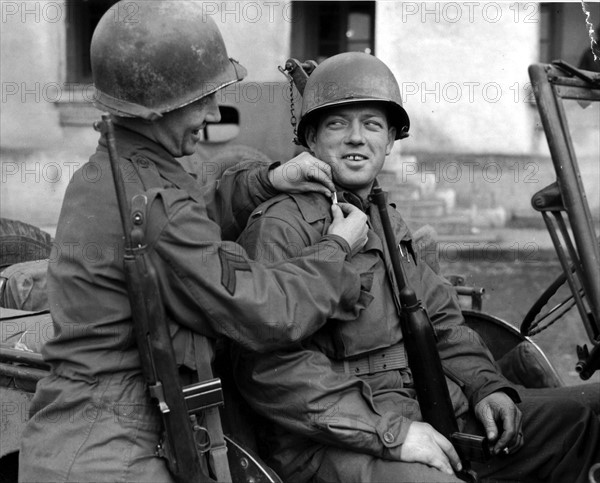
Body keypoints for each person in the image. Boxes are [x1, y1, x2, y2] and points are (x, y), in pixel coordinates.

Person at [18, 4, 371, 482]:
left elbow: (192, 211)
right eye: (200, 99)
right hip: (109, 451)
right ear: (158, 107)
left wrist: (268, 179)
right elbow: (261, 310)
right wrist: (336, 249)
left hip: (86, 429)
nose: (212, 112)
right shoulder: (147, 195)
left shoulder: (116, 169)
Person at [232, 52, 600, 483]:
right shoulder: (280, 226)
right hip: (330, 442)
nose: (356, 138)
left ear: (390, 140)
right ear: (310, 139)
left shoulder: (387, 220)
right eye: (337, 124)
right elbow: (269, 368)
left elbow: (442, 322)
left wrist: (487, 386)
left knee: (587, 415)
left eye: (371, 125)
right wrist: (394, 434)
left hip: (425, 412)